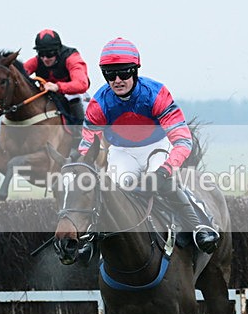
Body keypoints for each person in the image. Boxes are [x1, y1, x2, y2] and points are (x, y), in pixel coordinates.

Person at [79, 37, 220, 253]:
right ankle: (89, 239)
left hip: (156, 147)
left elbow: (182, 140)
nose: (117, 80)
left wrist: (165, 169)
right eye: (109, 74)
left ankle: (200, 225)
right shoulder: (99, 103)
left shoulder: (156, 94)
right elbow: (86, 145)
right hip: (122, 152)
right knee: (114, 190)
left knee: (160, 181)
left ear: (135, 70)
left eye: (124, 72)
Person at [23, 29, 90, 154]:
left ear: (58, 51)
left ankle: (81, 141)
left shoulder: (72, 58)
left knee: (74, 100)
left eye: (49, 54)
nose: (45, 58)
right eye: (41, 54)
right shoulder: (37, 61)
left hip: (74, 93)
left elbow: (82, 84)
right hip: (51, 95)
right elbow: (20, 74)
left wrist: (58, 87)